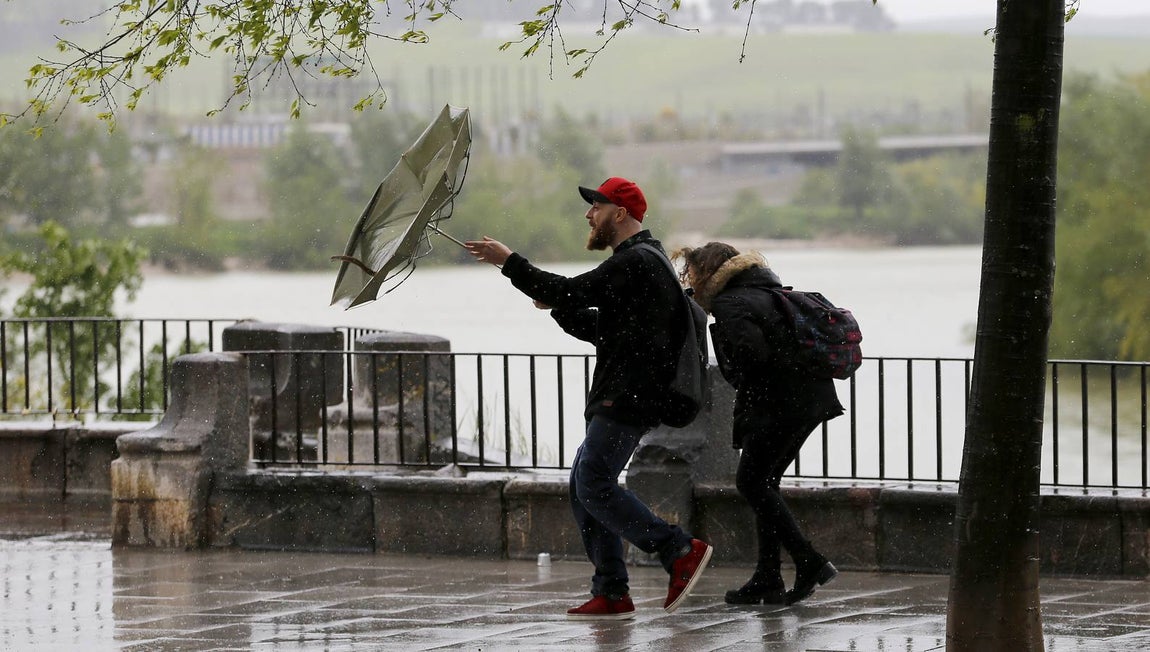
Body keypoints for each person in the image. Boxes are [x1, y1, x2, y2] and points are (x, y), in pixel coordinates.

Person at [465, 177, 713, 621]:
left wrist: (510, 263)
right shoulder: (641, 262)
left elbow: (570, 290)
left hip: (627, 397)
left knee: (593, 482)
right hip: (622, 394)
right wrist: (558, 303)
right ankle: (612, 590)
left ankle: (678, 549)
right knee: (584, 486)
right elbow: (601, 329)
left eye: (596, 206)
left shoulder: (636, 260)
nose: (588, 214)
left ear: (620, 213)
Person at [674, 241, 843, 606]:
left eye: (693, 274)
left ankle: (808, 560)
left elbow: (752, 355)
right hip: (809, 399)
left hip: (778, 404)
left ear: (707, 273)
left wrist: (741, 379)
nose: (691, 281)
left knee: (751, 482)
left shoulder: (731, 303)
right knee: (765, 483)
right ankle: (768, 576)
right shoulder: (766, 291)